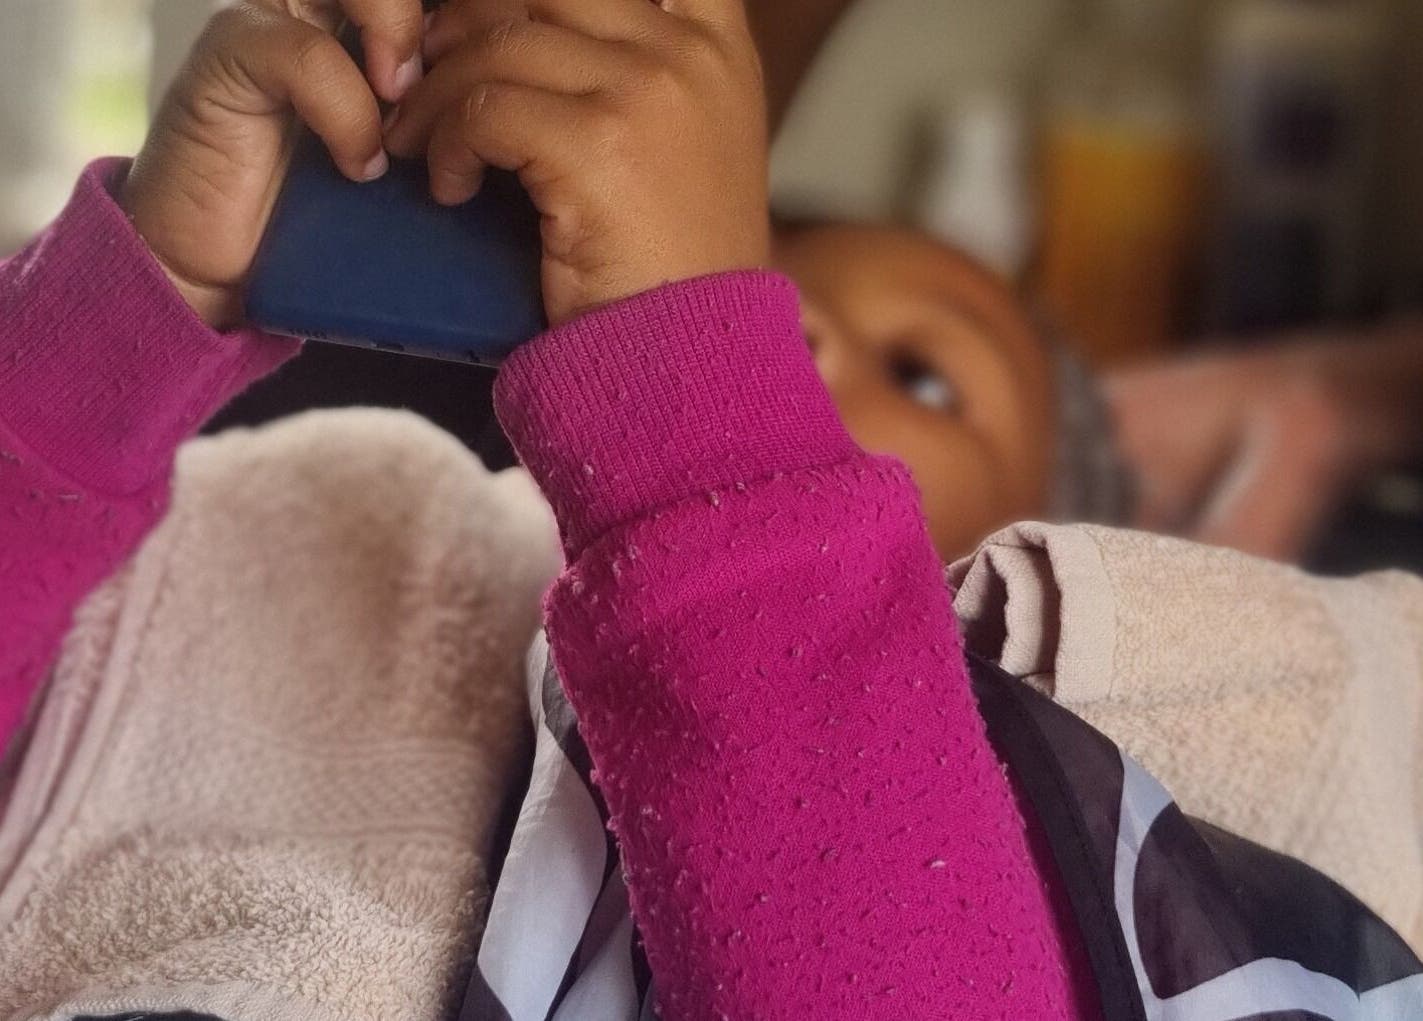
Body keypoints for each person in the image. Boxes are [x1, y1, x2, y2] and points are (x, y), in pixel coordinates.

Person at [1, 2, 1419, 1020]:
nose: (800, 340)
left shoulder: (1040, 764)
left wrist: (706, 408)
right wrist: (128, 314)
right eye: (766, 300)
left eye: (927, 376)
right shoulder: (391, 523)